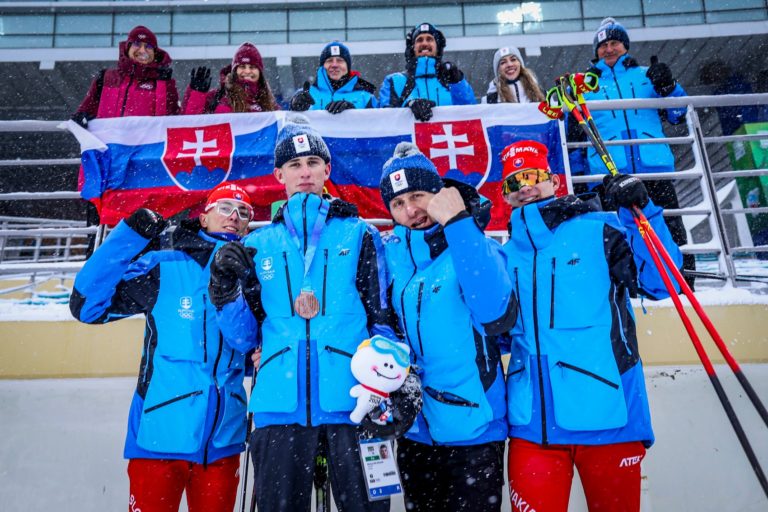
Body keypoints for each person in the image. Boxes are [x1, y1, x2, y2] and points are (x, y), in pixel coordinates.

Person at [208, 115, 420, 512]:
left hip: (356, 402)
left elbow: (381, 318)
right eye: (294, 165)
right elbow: (243, 337)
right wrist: (223, 288)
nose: (304, 172)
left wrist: (394, 380)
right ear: (279, 174)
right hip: (277, 404)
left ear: (327, 169)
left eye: (312, 163)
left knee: (370, 508)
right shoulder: (257, 243)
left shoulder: (361, 234)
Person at [499, 140, 683, 512]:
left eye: (532, 175)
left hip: (608, 416)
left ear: (554, 180)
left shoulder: (602, 228)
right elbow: (500, 334)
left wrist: (641, 210)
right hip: (531, 427)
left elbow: (665, 282)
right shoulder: (503, 255)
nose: (524, 187)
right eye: (513, 182)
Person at [68, 182, 256, 512]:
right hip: (159, 436)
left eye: (244, 212)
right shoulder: (164, 266)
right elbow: (86, 306)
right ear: (203, 217)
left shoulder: (253, 273)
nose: (234, 217)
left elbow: (256, 349)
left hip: (222, 443)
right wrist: (130, 234)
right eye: (225, 207)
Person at [379, 143, 518, 511]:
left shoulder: (476, 244)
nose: (410, 210)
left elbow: (496, 314)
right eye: (397, 204)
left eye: (418, 196)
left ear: (438, 194)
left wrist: (458, 224)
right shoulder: (390, 255)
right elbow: (378, 324)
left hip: (474, 428)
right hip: (415, 431)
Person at [570, 16, 695, 287]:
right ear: (596, 52)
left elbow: (676, 114)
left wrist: (670, 86)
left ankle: (684, 283)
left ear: (625, 46)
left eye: (614, 42)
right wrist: (579, 179)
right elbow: (575, 134)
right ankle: (630, 289)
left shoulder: (645, 76)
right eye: (603, 46)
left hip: (653, 169)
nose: (609, 49)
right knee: (619, 235)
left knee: (668, 228)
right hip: (609, 173)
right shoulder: (586, 87)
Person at [72, 25, 179, 126]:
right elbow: (85, 110)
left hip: (145, 145)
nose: (142, 50)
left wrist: (164, 85)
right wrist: (80, 117)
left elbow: (170, 121)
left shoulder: (163, 82)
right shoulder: (105, 78)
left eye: (149, 46)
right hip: (108, 145)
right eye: (137, 44)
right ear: (128, 48)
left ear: (155, 53)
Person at [379, 22, 476, 122]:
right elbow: (386, 120)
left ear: (437, 47)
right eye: (419, 40)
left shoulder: (451, 80)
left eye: (429, 39)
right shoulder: (394, 81)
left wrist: (458, 82)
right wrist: (408, 107)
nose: (424, 43)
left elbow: (472, 115)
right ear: (413, 48)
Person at [182, 42, 279, 114]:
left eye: (252, 67)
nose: (247, 71)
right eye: (242, 67)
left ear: (259, 72)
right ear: (234, 71)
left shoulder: (269, 103)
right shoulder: (217, 96)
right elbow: (191, 124)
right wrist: (197, 94)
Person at [289, 41, 378, 114]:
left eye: (340, 60)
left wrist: (353, 114)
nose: (334, 65)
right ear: (322, 66)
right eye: (329, 61)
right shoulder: (305, 94)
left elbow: (377, 128)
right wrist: (295, 109)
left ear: (348, 66)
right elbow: (290, 126)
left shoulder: (366, 98)